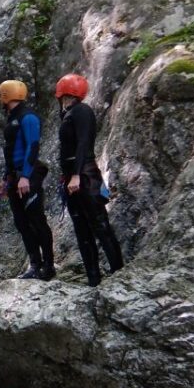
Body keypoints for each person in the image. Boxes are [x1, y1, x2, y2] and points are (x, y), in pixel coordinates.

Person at [56, 73, 124, 287]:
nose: (62, 99)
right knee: (81, 228)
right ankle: (93, 278)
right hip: (73, 177)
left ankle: (118, 271)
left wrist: (76, 174)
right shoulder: (69, 114)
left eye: (63, 95)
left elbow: (83, 143)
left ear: (66, 94)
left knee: (100, 224)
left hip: (84, 175)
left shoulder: (82, 111)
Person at [0, 80, 55, 281]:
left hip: (28, 176)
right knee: (22, 223)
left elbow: (33, 146)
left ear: (6, 95)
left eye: (0, 95)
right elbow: (10, 151)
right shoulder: (12, 118)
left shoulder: (27, 117)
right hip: (15, 177)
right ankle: (34, 265)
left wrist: (26, 176)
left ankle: (48, 266)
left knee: (37, 221)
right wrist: (6, 178)